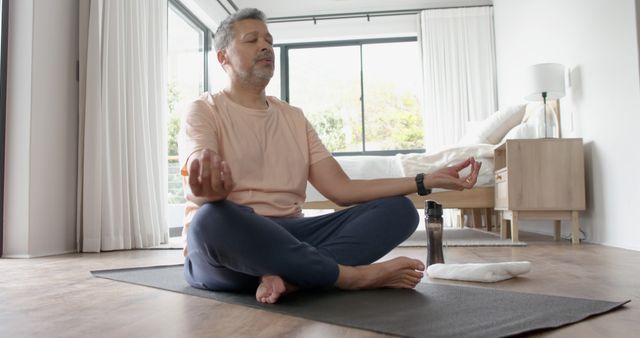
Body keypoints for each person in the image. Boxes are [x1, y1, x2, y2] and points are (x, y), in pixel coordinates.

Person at [178, 8, 481, 304]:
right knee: (210, 220)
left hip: (292, 235)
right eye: (252, 39)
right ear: (223, 57)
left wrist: (425, 180)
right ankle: (350, 277)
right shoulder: (204, 110)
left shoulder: (293, 117)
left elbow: (342, 190)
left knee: (399, 211)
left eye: (269, 40)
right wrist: (206, 190)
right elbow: (197, 180)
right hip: (235, 243)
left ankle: (293, 278)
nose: (266, 46)